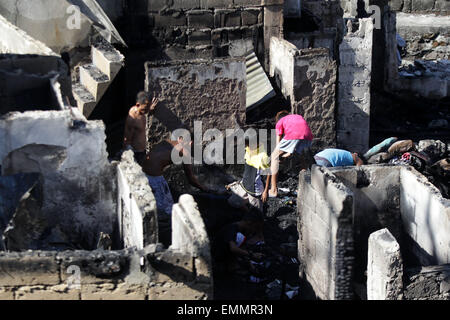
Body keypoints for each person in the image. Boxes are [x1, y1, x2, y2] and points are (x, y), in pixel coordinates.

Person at [265, 110, 314, 199]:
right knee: (302, 159)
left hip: (294, 135)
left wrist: (277, 156)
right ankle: (304, 189)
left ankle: (273, 190)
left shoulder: (280, 122)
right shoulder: (297, 117)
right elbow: (293, 148)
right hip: (308, 136)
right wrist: (285, 155)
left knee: (274, 156)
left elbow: (278, 144)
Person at [226, 132, 270, 213]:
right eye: (246, 144)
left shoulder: (263, 156)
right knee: (232, 202)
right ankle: (247, 212)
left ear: (256, 143)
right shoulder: (248, 148)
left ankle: (257, 221)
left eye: (249, 144)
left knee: (257, 214)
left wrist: (266, 191)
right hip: (244, 184)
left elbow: (269, 173)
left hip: (255, 190)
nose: (248, 146)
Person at [212, 210, 265, 274]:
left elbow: (242, 249)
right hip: (216, 261)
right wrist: (252, 255)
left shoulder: (242, 231)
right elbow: (233, 248)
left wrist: (250, 266)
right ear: (249, 223)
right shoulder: (231, 229)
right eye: (255, 227)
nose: (254, 231)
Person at [123, 91, 158, 165]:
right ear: (138, 105)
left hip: (143, 151)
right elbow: (127, 140)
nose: (147, 110)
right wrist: (130, 158)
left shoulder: (142, 111)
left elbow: (145, 111)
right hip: (136, 153)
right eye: (145, 108)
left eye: (148, 107)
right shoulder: (132, 119)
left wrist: (150, 108)